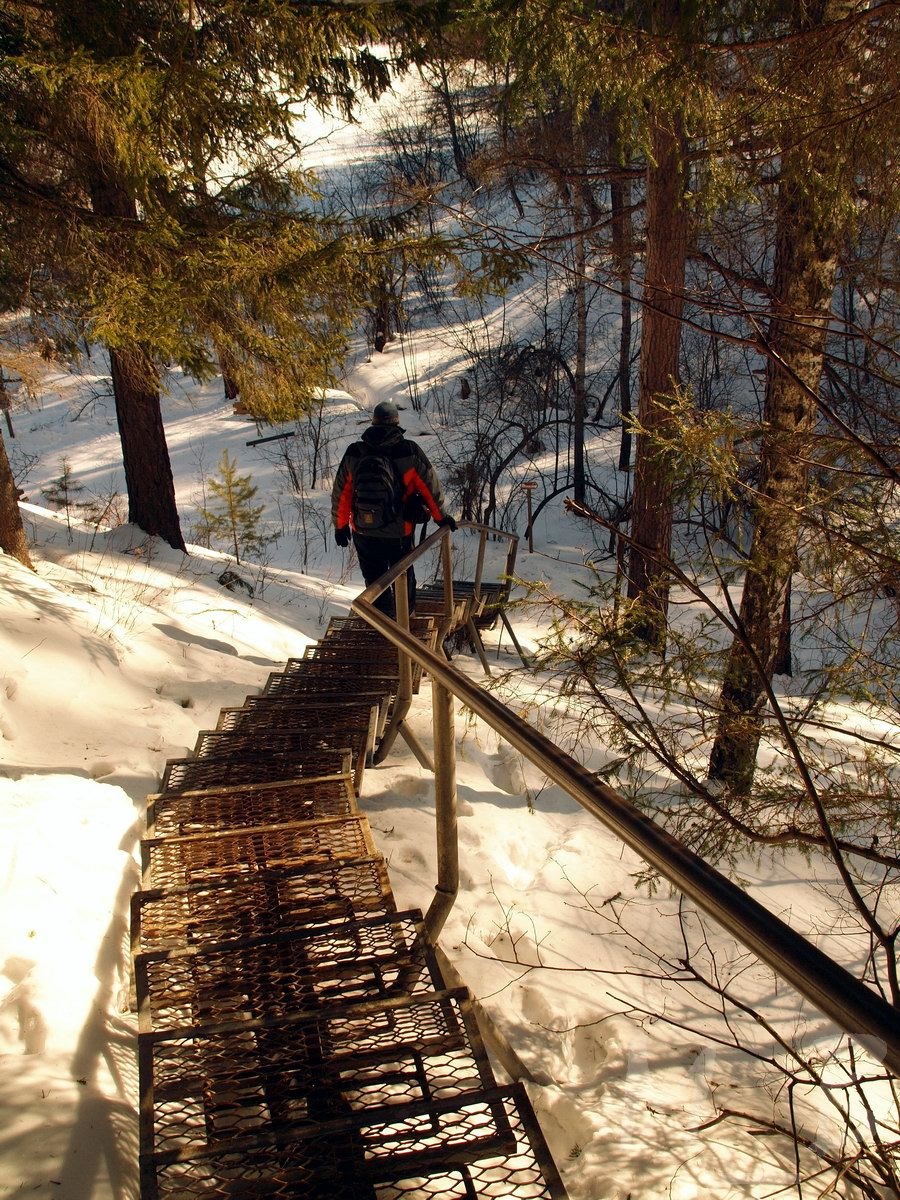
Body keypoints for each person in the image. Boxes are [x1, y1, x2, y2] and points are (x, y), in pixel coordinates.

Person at [331, 400, 456, 617]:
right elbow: (430, 488)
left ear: (374, 422)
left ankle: (383, 626)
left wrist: (340, 526)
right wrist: (440, 517)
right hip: (399, 531)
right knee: (403, 576)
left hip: (363, 530)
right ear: (396, 422)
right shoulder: (408, 451)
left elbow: (341, 493)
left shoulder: (355, 452)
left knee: (375, 582)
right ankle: (405, 623)